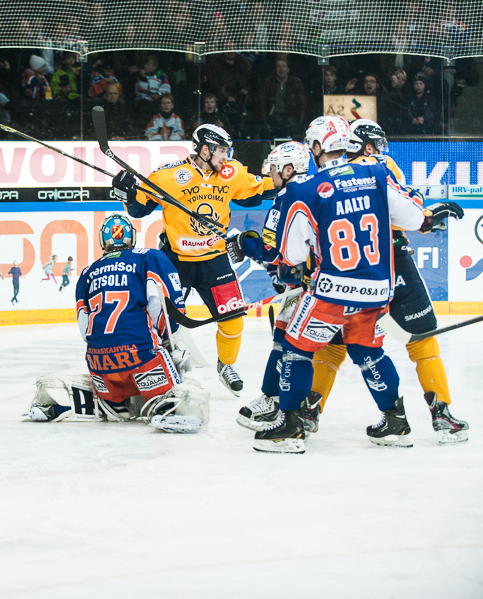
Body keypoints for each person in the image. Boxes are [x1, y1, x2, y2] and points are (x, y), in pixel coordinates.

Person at [253, 115, 454, 453]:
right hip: (378, 289)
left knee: (295, 349)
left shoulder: (306, 189)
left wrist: (295, 266)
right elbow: (416, 219)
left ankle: (290, 427)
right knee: (367, 351)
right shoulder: (377, 173)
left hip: (332, 291)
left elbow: (290, 254)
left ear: (317, 147)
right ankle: (394, 421)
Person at [300, 119, 468, 443]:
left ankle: (309, 411)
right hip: (393, 263)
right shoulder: (380, 167)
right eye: (377, 143)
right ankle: (442, 414)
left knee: (336, 345)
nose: (381, 150)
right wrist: (430, 215)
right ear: (366, 145)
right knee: (420, 339)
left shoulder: (325, 177)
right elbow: (410, 212)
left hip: (348, 272)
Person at [113, 124, 278, 396]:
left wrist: (292, 180)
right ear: (205, 149)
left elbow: (259, 191)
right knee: (160, 320)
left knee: (234, 317)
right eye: (222, 151)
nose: (226, 156)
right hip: (176, 261)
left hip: (214, 259)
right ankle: (159, 368)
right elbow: (138, 208)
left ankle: (226, 365)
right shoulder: (167, 176)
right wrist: (125, 194)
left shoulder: (231, 172)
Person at [26, 214, 206, 433]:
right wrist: (169, 344)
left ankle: (108, 403)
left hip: (101, 366)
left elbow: (85, 330)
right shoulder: (148, 257)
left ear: (104, 241)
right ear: (132, 238)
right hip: (141, 357)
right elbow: (162, 310)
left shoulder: (87, 272)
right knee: (177, 387)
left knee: (115, 401)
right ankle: (164, 406)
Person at [226, 141, 318, 431]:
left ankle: (278, 402)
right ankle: (295, 404)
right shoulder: (312, 188)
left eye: (276, 168)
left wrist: (244, 242)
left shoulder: (290, 193)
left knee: (287, 343)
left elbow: (272, 248)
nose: (272, 173)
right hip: (318, 280)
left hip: (307, 285)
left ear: (289, 169)